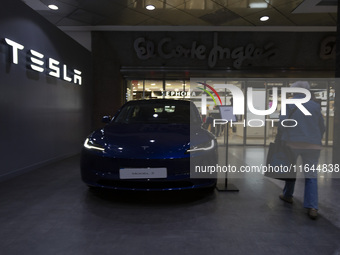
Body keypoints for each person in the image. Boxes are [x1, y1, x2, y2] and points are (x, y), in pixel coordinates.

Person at [279, 81, 325, 220]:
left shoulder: (288, 104)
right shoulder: (315, 106)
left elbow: (282, 123)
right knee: (311, 175)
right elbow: (322, 126)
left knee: (291, 171)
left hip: (292, 143)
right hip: (313, 145)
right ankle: (312, 207)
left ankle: (287, 195)